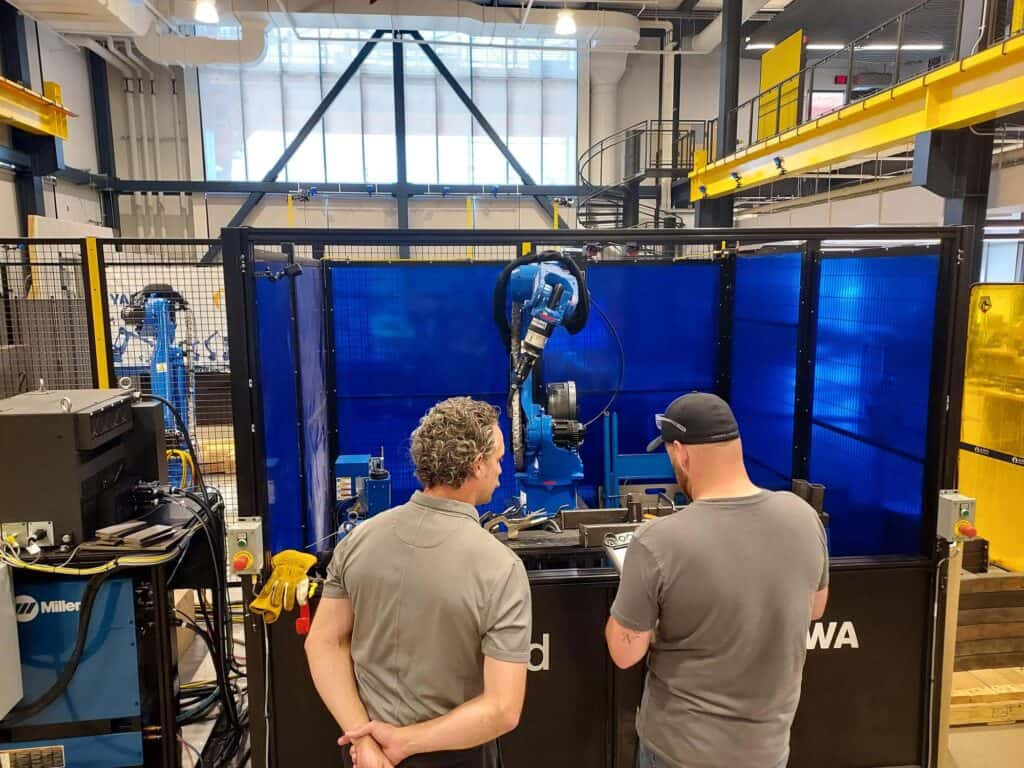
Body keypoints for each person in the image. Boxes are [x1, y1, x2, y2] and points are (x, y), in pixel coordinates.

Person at [305, 397, 532, 768]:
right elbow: (502, 709)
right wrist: (404, 743)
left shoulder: (359, 541)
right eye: (497, 459)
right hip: (451, 755)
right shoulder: (500, 568)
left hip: (366, 756)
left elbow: (324, 641)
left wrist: (363, 738)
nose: (500, 470)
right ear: (476, 466)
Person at [605, 392, 829, 768]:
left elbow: (624, 652)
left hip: (681, 752)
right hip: (768, 752)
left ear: (682, 454)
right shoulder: (803, 516)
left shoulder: (659, 541)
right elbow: (815, 608)